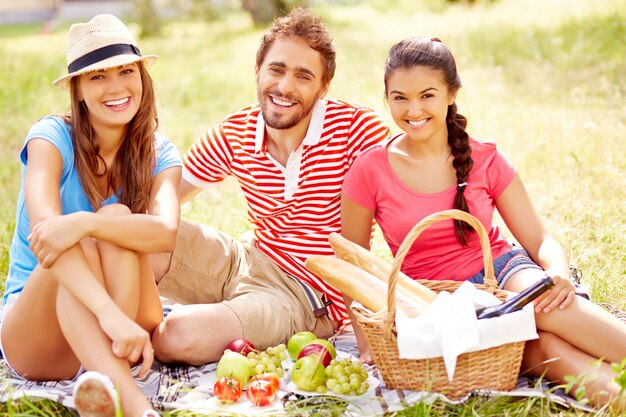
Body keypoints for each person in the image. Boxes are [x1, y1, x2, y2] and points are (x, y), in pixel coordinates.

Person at [340, 36, 626, 409]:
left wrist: (558, 272)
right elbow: (352, 262)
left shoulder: (485, 157)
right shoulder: (369, 169)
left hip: (502, 273)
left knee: (547, 302)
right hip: (438, 302)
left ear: (451, 93)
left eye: (427, 95)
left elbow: (540, 240)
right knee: (546, 350)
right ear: (387, 98)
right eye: (400, 97)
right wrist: (366, 341)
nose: (413, 110)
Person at [150, 8, 390, 365]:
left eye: (303, 76)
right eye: (276, 69)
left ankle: (218, 321)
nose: (284, 87)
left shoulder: (356, 130)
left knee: (178, 336)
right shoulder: (235, 131)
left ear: (323, 87)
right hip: (246, 259)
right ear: (258, 71)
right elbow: (162, 200)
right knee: (133, 234)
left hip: (305, 295)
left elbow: (406, 195)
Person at [0, 14, 182, 417]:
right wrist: (111, 317)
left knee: (111, 218)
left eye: (125, 71)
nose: (116, 87)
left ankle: (102, 376)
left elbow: (165, 233)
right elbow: (47, 236)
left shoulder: (160, 153)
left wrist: (90, 220)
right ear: (78, 90)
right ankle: (136, 407)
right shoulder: (50, 139)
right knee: (74, 239)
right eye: (97, 77)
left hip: (131, 315)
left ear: (141, 77)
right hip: (42, 334)